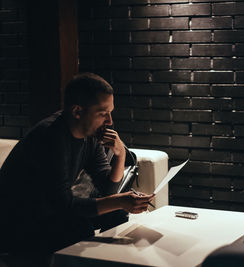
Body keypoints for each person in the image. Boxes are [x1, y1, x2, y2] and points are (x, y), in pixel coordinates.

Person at [0, 73, 154, 266]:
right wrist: (118, 201)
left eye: (110, 112)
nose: (110, 121)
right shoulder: (51, 137)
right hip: (19, 222)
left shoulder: (90, 134)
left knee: (116, 214)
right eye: (103, 113)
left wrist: (120, 154)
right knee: (79, 227)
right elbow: (62, 205)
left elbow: (107, 189)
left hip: (49, 212)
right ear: (77, 111)